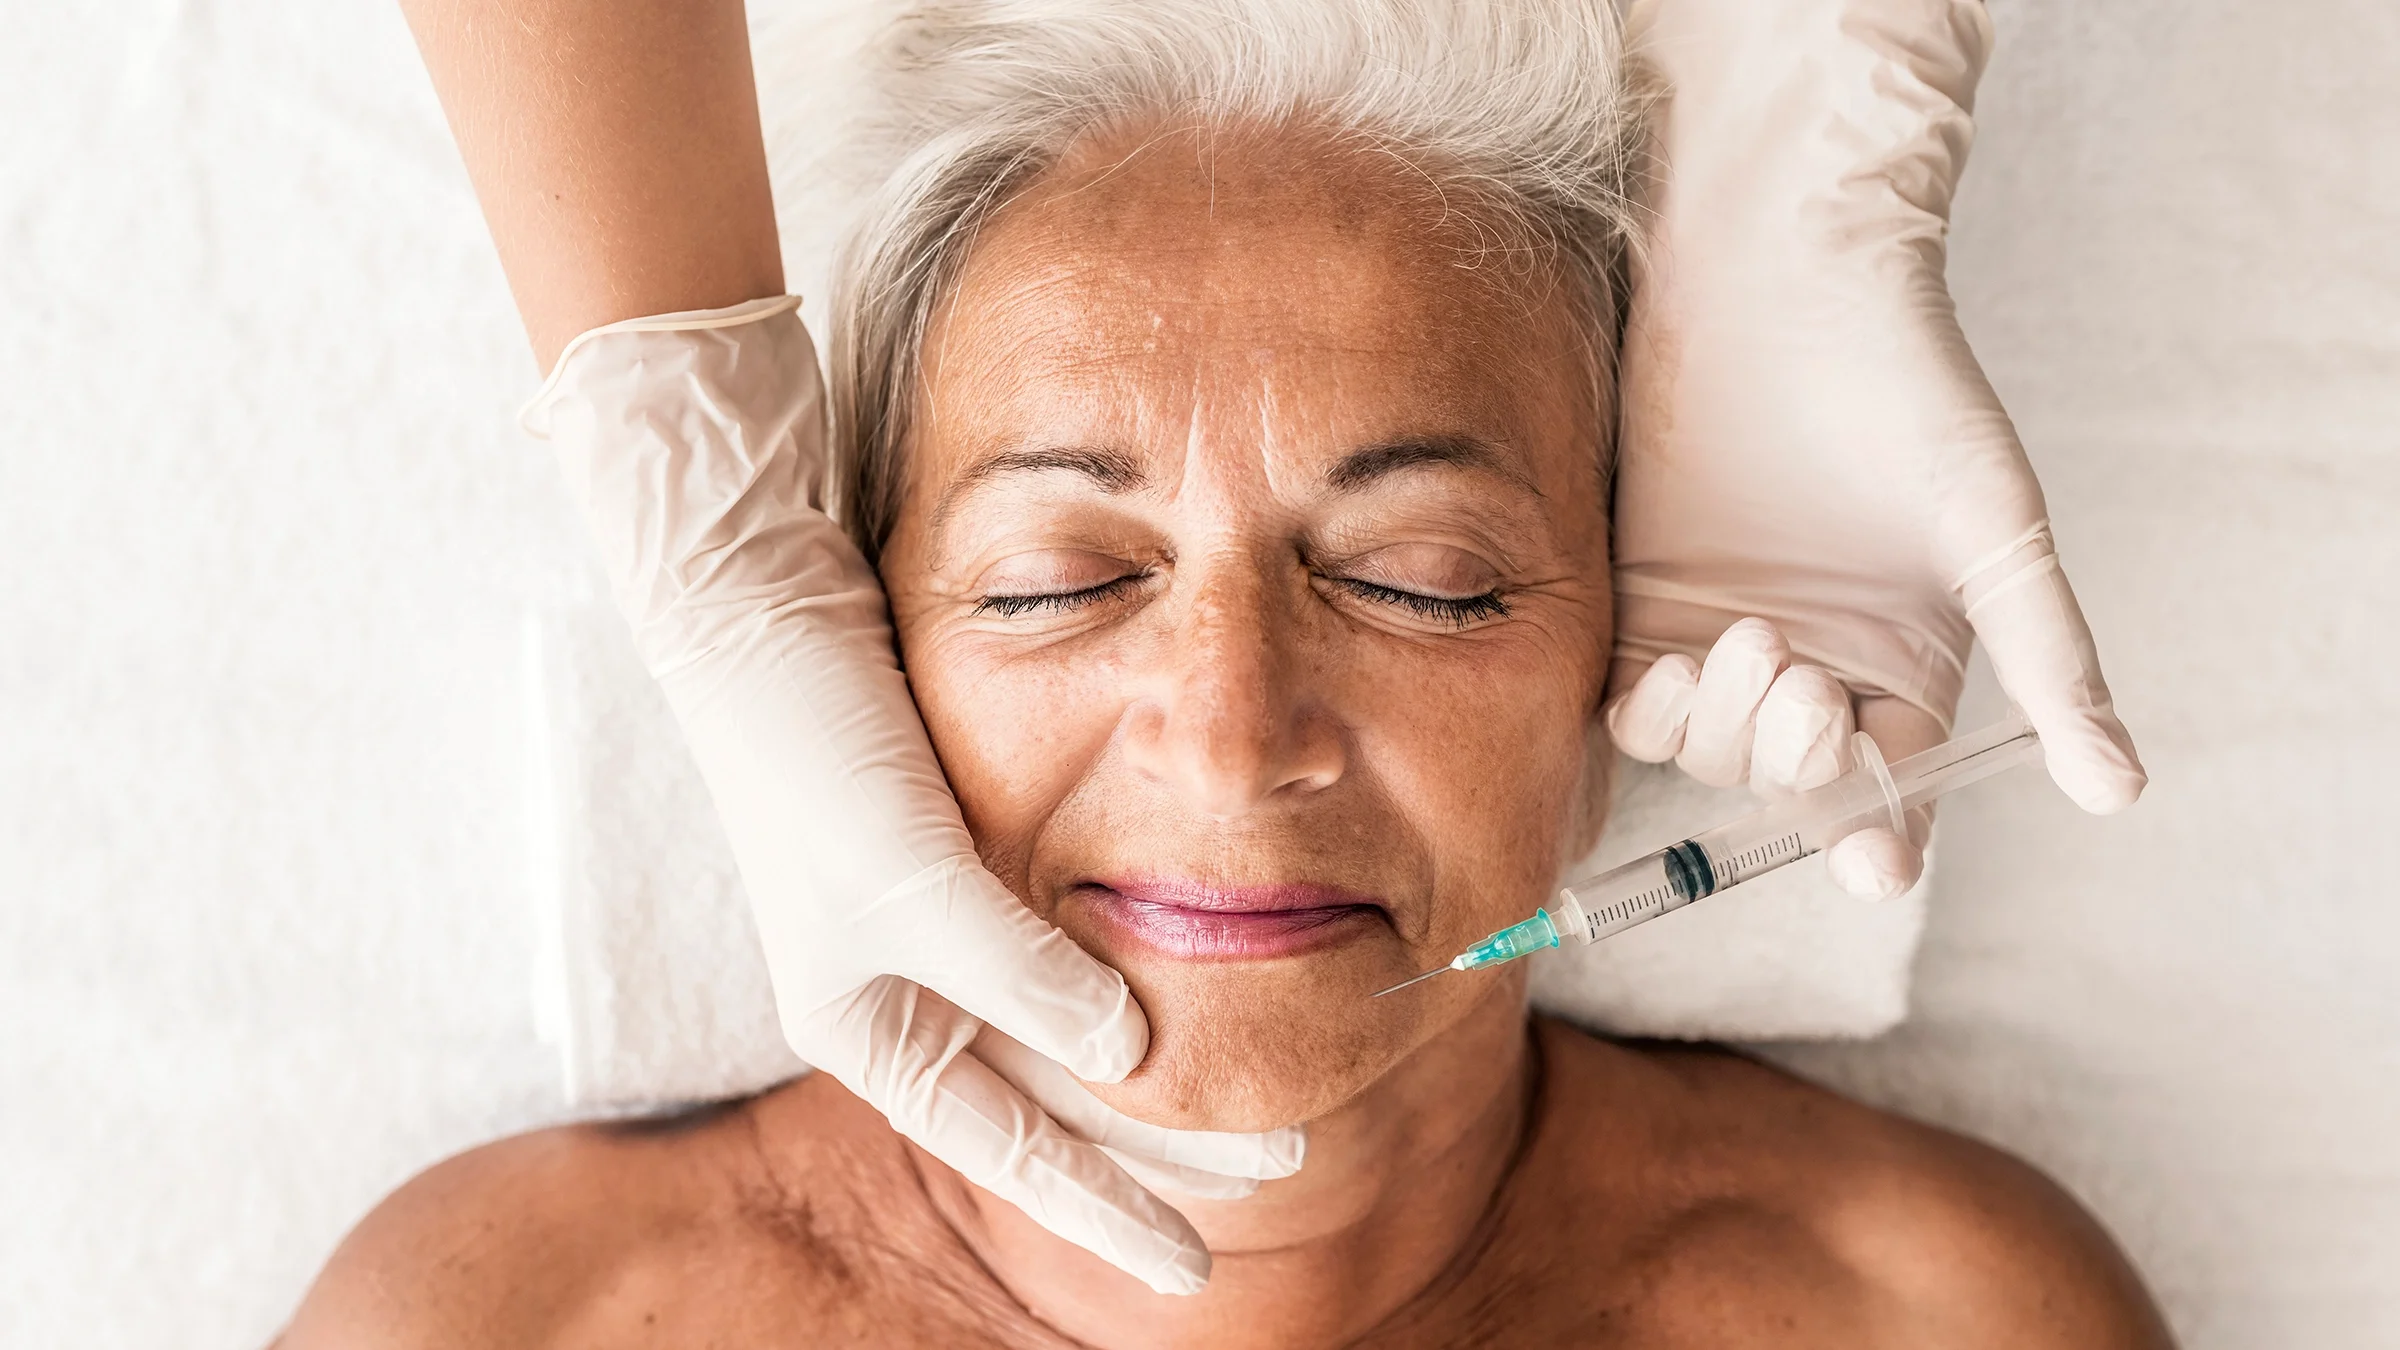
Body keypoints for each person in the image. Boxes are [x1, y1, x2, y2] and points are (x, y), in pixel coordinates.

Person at [282, 4, 2172, 1343]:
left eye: (1419, 581)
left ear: (1627, 637)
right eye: (1052, 582)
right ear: (852, 631)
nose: (1233, 729)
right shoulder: (514, 1319)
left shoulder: (1935, 1315)